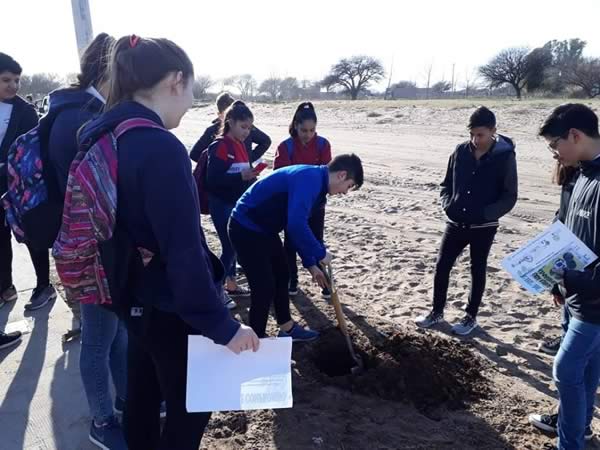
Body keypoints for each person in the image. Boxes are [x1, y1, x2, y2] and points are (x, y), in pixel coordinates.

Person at [78, 34, 258, 450]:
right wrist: (222, 326)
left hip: (128, 292)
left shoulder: (103, 133)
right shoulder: (160, 147)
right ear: (175, 80)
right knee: (188, 408)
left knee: (141, 396)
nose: (192, 99)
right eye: (192, 88)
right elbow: (183, 251)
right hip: (170, 305)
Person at [44, 33, 132, 450]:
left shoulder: (88, 112)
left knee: (116, 333)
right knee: (98, 339)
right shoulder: (79, 119)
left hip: (105, 249)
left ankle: (125, 401)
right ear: (109, 72)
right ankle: (102, 420)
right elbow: (82, 199)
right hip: (91, 253)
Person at [229, 153, 363, 341]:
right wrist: (320, 253)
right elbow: (296, 224)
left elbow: (298, 229)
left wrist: (311, 264)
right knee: (264, 286)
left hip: (265, 230)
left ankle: (287, 328)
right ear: (342, 175)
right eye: (348, 186)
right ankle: (256, 338)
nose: (345, 192)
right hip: (245, 227)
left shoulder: (319, 190)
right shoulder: (310, 180)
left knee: (283, 274)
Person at [528, 104, 600, 450]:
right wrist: (558, 282)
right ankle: (581, 430)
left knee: (566, 370)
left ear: (575, 135)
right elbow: (567, 230)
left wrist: (573, 281)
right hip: (573, 292)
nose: (554, 152)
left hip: (595, 302)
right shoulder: (580, 173)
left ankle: (569, 444)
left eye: (555, 143)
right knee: (585, 370)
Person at [415, 106, 518, 335]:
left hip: (484, 226)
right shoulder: (460, 151)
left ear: (493, 131)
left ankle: (470, 317)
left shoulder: (505, 157)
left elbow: (510, 196)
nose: (475, 139)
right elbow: (446, 184)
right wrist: (447, 205)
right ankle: (436, 312)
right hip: (455, 222)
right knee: (442, 266)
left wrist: (486, 214)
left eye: (480, 134)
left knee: (477, 269)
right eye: (471, 134)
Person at [0, 52, 56, 310]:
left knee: (33, 235)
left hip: (23, 186)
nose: (13, 86)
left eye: (16, 81)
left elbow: (33, 156)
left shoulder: (26, 112)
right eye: (6, 80)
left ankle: (44, 285)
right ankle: (5, 287)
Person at [274, 102, 332, 298]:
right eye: (303, 130)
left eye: (312, 130)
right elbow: (280, 178)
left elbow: (326, 176)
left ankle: (324, 281)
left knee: (316, 241)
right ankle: (292, 279)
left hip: (316, 204)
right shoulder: (286, 147)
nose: (308, 134)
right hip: (292, 205)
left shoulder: (323, 144)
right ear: (295, 127)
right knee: (290, 243)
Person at [206, 100, 262, 300]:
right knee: (230, 247)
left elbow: (241, 175)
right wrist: (241, 176)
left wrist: (252, 176)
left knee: (234, 246)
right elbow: (212, 181)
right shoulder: (220, 146)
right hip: (221, 203)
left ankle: (230, 284)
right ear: (230, 122)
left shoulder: (240, 145)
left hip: (236, 203)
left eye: (249, 127)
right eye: (243, 126)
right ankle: (215, 290)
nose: (247, 132)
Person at [537, 162, 579, 356]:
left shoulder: (588, 177)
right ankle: (565, 336)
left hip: (581, 250)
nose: (556, 156)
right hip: (567, 247)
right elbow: (562, 216)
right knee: (568, 300)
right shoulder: (571, 176)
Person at [189, 91, 271, 164]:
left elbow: (266, 141)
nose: (246, 131)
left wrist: (248, 159)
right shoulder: (213, 130)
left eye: (247, 128)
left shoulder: (245, 127)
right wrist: (214, 163)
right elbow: (194, 154)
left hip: (244, 173)